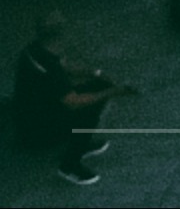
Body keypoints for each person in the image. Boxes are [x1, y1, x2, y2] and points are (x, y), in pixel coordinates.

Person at [12, 12, 115, 186]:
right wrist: (114, 91)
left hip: (36, 115)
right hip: (37, 133)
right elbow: (73, 102)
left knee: (97, 87)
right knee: (89, 106)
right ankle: (69, 166)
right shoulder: (48, 64)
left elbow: (64, 66)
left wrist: (94, 73)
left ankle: (79, 142)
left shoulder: (36, 49)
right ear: (60, 33)